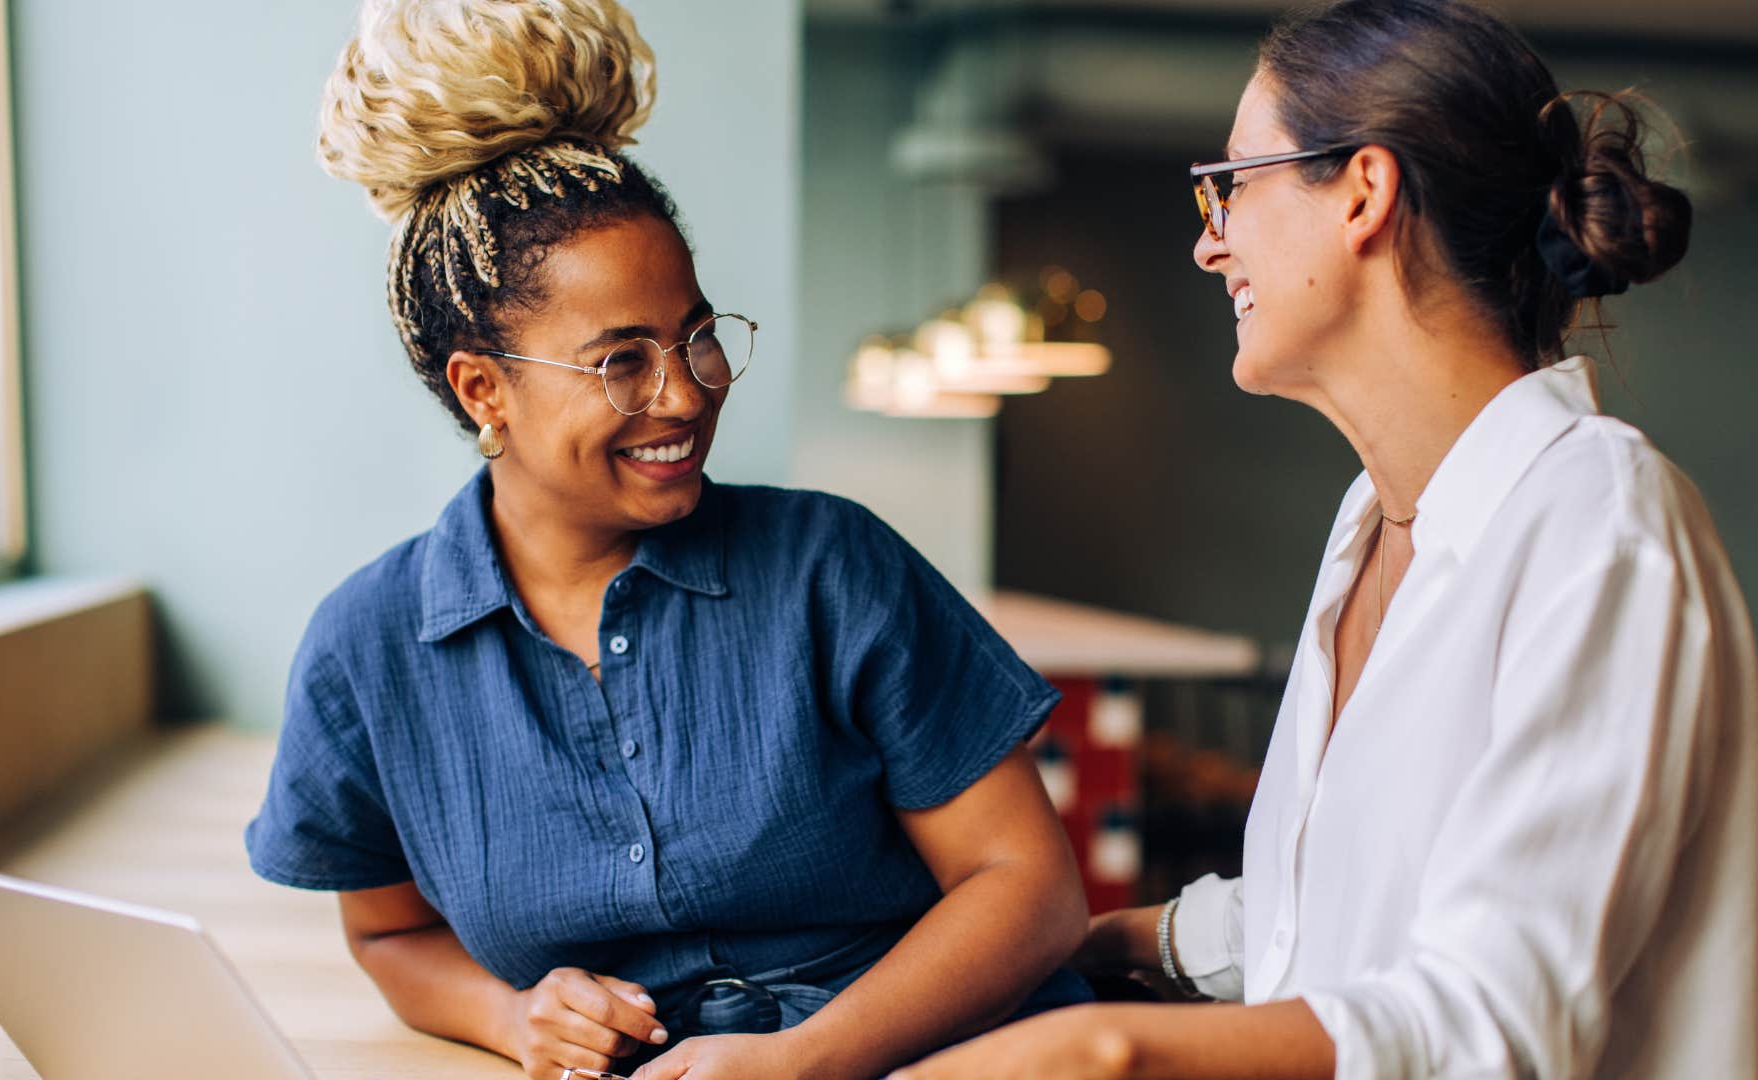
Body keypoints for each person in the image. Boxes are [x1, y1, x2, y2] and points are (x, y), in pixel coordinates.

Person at [892, 1, 1758, 1077]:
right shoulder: (1371, 519)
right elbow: (1354, 899)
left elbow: (1493, 1021)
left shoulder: (1602, 522)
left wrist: (1099, 1048)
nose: (1210, 242)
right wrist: (1111, 943)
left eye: (1232, 186)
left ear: (1363, 191)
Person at [244, 2, 1091, 1079]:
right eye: (623, 362)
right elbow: (389, 936)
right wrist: (515, 1019)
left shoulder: (834, 567)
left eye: (698, 336)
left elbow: (1030, 888)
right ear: (482, 389)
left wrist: (807, 1060)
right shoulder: (365, 652)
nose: (687, 393)